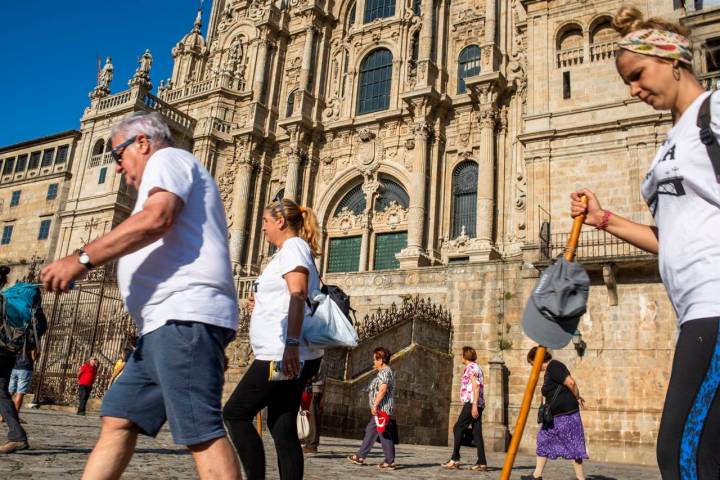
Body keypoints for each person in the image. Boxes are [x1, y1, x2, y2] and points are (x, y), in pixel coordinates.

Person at [40, 111, 241, 480]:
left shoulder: (168, 159)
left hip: (183, 314)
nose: (117, 168)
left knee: (200, 430)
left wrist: (81, 258)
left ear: (143, 143)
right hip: (160, 326)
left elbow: (157, 218)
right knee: (119, 417)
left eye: (118, 155)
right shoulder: (166, 170)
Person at [570, 7, 720, 479]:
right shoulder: (670, 142)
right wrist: (604, 219)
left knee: (682, 454)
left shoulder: (713, 115)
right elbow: (672, 238)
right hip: (694, 309)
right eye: (626, 83)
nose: (634, 90)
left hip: (716, 303)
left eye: (637, 75)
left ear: (674, 58)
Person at [223, 197, 323, 480]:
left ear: (280, 221)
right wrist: (262, 303)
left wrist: (290, 345)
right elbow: (288, 294)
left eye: (266, 221)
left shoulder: (293, 248)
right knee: (282, 425)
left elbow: (298, 293)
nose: (263, 228)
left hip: (281, 354)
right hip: (289, 352)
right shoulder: (290, 251)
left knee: (235, 413)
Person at [521, 347, 587, 480]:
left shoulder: (554, 366)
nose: (532, 366)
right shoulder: (550, 370)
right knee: (543, 439)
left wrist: (578, 397)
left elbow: (571, 383)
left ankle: (581, 478)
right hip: (555, 417)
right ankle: (537, 475)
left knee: (573, 445)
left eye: (532, 362)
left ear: (537, 359)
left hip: (566, 415)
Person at [347, 346, 396, 470]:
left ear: (381, 360)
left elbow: (383, 389)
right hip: (381, 409)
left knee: (380, 433)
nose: (373, 361)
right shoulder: (384, 372)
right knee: (377, 432)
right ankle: (364, 457)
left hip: (382, 409)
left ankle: (364, 457)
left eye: (375, 359)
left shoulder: (385, 372)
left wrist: (375, 404)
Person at [442, 346, 488, 471]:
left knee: (457, 427)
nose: (460, 357)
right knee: (476, 432)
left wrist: (473, 405)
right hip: (477, 403)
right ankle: (482, 462)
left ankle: (455, 458)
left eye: (461, 355)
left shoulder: (470, 368)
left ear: (465, 356)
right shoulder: (476, 367)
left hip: (472, 403)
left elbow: (476, 387)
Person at [301, 358, 326, 454]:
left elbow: (317, 378)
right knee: (309, 417)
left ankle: (312, 445)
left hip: (315, 391)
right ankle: (308, 441)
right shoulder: (317, 360)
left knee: (313, 419)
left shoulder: (319, 361)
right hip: (314, 390)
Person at [8, 346, 37, 417]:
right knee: (20, 393)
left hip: (14, 367)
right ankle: (14, 417)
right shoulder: (33, 340)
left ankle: (2, 415)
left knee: (10, 392)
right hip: (25, 368)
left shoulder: (18, 338)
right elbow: (34, 357)